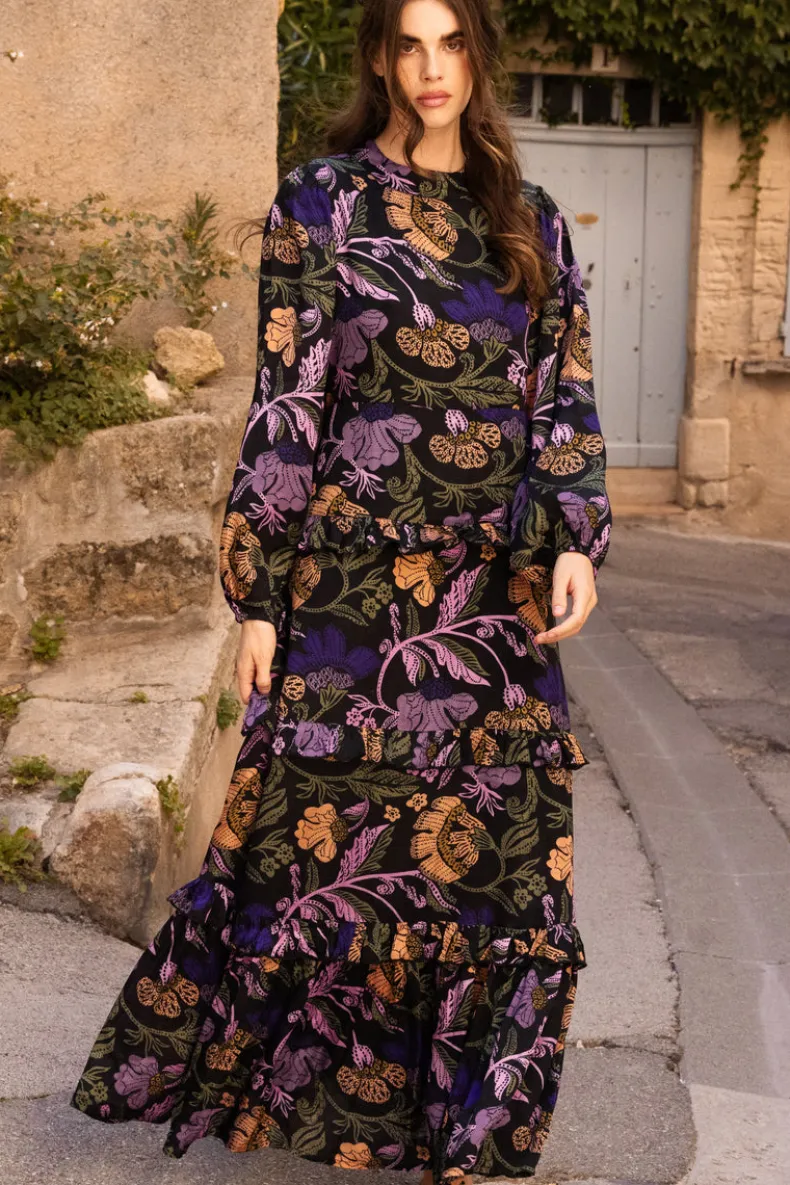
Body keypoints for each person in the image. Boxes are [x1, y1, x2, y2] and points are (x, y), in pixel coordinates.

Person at [70, 1, 612, 1181]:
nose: (431, 68)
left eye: (451, 42)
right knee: (325, 859)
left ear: (478, 55)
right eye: (409, 44)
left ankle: (472, 1129)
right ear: (378, 57)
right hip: (349, 595)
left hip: (492, 601)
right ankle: (334, 1107)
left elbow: (561, 396)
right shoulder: (322, 202)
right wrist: (259, 595)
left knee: (504, 867)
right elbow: (290, 397)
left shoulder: (531, 220)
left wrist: (572, 536)